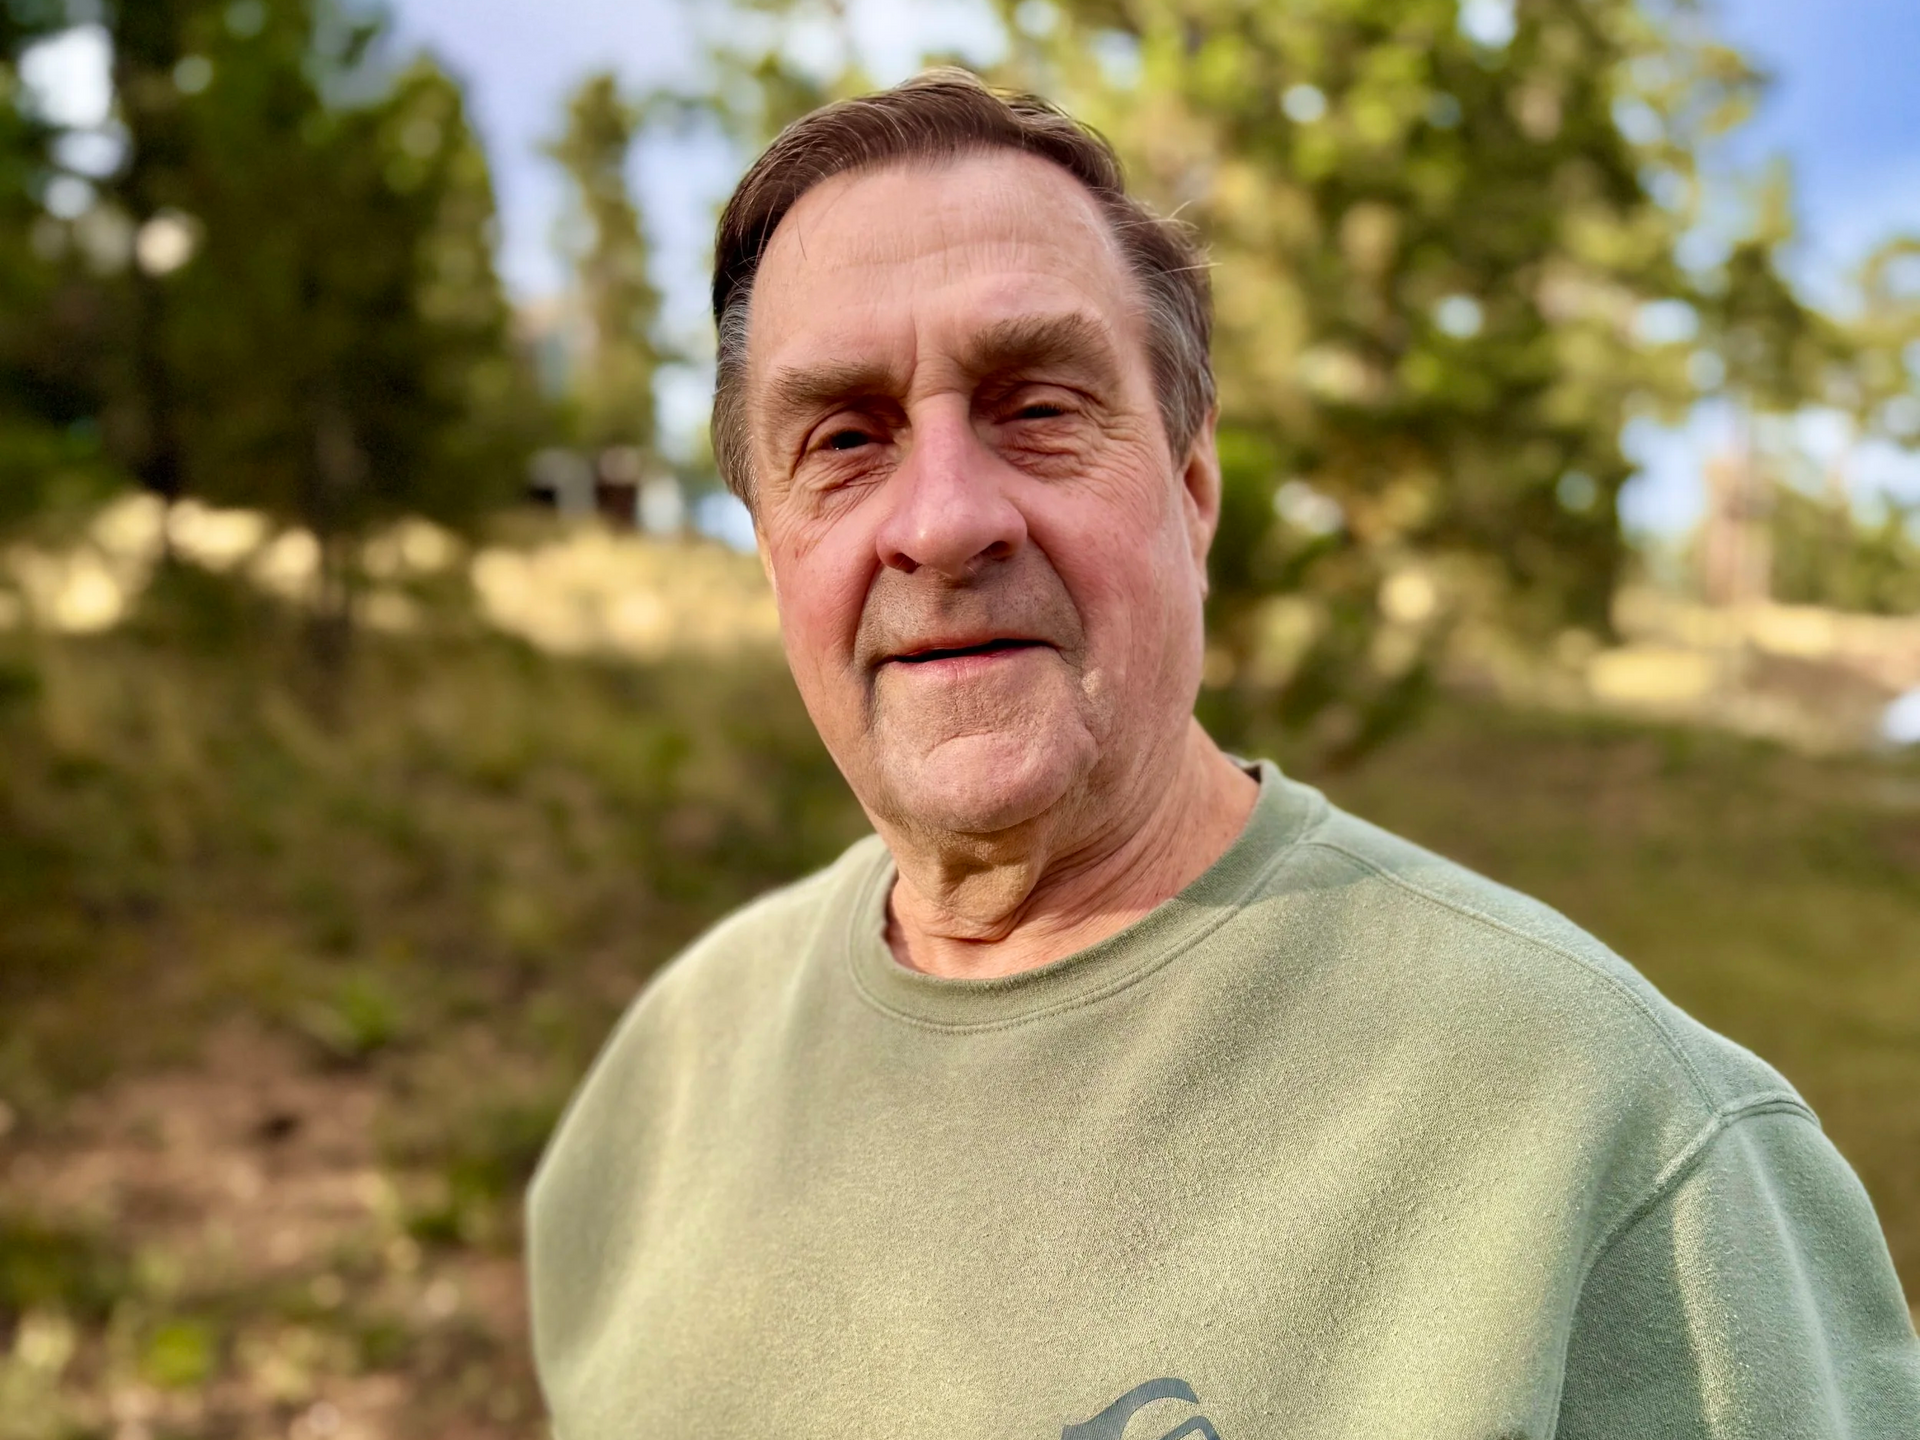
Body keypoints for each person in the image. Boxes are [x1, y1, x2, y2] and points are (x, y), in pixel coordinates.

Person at [526, 69, 1920, 1439]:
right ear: (774, 552)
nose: (944, 523)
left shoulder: (1621, 1144)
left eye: (1038, 409)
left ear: (1192, 494)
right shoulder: (657, 1095)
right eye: (843, 438)